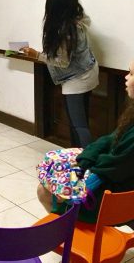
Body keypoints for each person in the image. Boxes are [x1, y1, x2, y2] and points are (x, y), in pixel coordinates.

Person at [37, 59, 134, 223]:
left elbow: (110, 167)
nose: (126, 77)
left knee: (43, 191)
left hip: (116, 201)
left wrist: (83, 168)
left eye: (131, 74)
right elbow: (110, 139)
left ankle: (69, 233)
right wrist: (86, 158)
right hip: (118, 186)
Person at [22, 0, 99, 148]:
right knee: (81, 122)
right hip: (89, 70)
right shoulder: (78, 14)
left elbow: (63, 62)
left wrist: (37, 55)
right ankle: (78, 157)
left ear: (53, 5)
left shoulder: (64, 30)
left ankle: (87, 164)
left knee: (78, 126)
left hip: (76, 79)